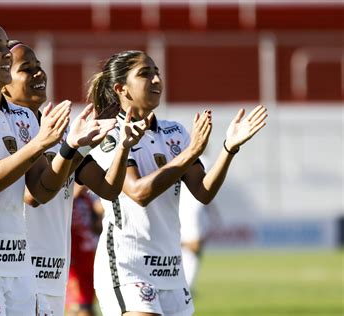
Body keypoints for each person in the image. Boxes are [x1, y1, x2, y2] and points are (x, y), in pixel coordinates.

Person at [0, 18, 113, 315]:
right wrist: (39, 144)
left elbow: (41, 192)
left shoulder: (24, 118)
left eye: (5, 47)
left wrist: (70, 147)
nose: (5, 54)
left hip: (19, 266)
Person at [87, 50, 268, 316]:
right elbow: (139, 192)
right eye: (145, 74)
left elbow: (203, 192)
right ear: (120, 88)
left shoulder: (174, 132)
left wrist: (228, 148)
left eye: (156, 72)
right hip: (128, 266)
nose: (156, 80)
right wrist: (189, 154)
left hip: (171, 269)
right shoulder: (108, 134)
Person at [1, 41, 153, 315]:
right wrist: (74, 147)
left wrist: (124, 146)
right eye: (26, 69)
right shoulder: (6, 129)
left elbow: (108, 188)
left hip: (53, 267)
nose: (39, 73)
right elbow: (34, 195)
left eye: (39, 66)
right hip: (18, 270)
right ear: (3, 82)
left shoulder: (62, 130)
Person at [179, 155, 221, 291]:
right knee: (194, 247)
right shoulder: (202, 160)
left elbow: (208, 189)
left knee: (194, 249)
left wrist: (213, 211)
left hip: (192, 207)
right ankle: (186, 285)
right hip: (192, 208)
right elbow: (206, 185)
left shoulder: (189, 156)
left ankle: (187, 285)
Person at [66, 184, 104, 316]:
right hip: (72, 257)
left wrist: (99, 215)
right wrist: (77, 189)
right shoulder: (66, 191)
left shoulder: (89, 196)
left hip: (89, 255)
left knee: (87, 303)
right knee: (77, 305)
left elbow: (98, 226)